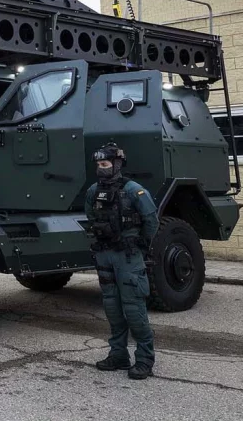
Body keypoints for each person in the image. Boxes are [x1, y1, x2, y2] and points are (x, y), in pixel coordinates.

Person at [85, 142, 160, 381]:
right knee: (112, 309)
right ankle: (118, 355)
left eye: (105, 164)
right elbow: (90, 216)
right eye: (98, 164)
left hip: (128, 257)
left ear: (117, 164)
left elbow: (151, 220)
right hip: (105, 255)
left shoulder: (134, 190)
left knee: (134, 309)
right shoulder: (93, 191)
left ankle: (144, 359)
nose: (101, 168)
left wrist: (140, 245)